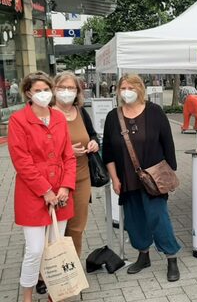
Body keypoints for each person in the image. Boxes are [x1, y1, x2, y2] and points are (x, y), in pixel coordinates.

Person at [102, 74, 181, 282]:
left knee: (158, 217)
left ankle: (171, 257)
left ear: (140, 89)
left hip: (153, 178)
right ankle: (143, 255)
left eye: (130, 87)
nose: (126, 91)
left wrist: (169, 171)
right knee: (135, 220)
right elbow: (107, 152)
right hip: (127, 179)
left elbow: (168, 143)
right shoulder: (113, 117)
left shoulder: (155, 112)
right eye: (123, 88)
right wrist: (115, 179)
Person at [7, 71, 76, 302]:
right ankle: (27, 296)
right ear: (28, 92)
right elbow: (21, 161)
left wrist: (66, 186)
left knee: (56, 248)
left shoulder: (58, 118)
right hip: (32, 194)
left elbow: (69, 156)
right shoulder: (18, 120)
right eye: (38, 90)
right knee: (35, 250)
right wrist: (45, 190)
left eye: (46, 90)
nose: (43, 94)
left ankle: (56, 295)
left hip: (61, 193)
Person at [53, 71, 99, 257]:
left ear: (78, 91)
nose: (66, 91)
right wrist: (67, 152)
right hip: (57, 180)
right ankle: (46, 274)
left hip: (82, 177)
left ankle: (72, 273)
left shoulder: (80, 112)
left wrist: (94, 143)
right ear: (54, 89)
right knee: (55, 229)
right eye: (62, 87)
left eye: (71, 88)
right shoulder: (48, 114)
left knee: (77, 228)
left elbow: (92, 134)